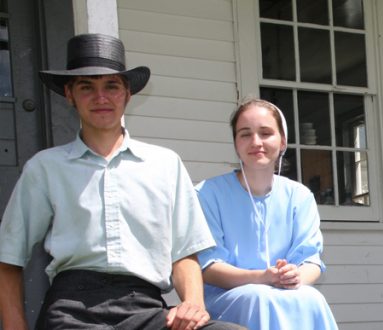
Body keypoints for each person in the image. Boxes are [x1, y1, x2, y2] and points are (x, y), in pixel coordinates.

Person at [0, 33, 243, 330]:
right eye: (87, 87)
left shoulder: (164, 164)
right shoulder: (46, 168)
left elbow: (184, 252)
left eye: (111, 86)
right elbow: (8, 256)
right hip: (71, 312)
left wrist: (193, 304)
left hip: (146, 308)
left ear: (127, 93)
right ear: (69, 94)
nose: (100, 98)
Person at [195, 98, 338, 330]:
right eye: (245, 134)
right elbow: (208, 267)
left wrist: (295, 276)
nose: (256, 142)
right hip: (226, 299)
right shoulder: (207, 194)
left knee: (313, 298)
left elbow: (311, 260)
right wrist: (262, 277)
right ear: (235, 143)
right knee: (259, 298)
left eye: (265, 133)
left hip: (282, 293)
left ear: (282, 142)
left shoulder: (299, 196)